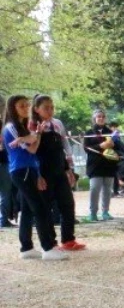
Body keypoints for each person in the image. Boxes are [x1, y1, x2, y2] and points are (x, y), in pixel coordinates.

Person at [3, 95, 68, 260]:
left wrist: (33, 136)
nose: (26, 108)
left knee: (27, 210)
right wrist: (31, 137)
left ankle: (26, 247)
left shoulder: (24, 128)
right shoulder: (10, 127)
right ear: (13, 108)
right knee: (39, 208)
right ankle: (47, 247)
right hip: (21, 170)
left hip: (31, 170)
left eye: (27, 105)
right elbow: (30, 146)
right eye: (21, 106)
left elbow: (33, 149)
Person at [31, 96, 84, 251]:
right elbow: (32, 152)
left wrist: (69, 170)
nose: (50, 110)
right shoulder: (32, 125)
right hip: (43, 170)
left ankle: (68, 239)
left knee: (67, 203)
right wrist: (38, 175)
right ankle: (51, 242)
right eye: (46, 107)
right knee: (46, 206)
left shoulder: (57, 123)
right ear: (36, 109)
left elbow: (63, 145)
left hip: (59, 169)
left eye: (52, 107)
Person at [83, 108, 118, 222]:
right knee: (94, 188)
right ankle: (93, 213)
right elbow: (86, 149)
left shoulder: (111, 132)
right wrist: (101, 146)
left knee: (108, 190)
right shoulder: (89, 133)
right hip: (95, 166)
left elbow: (118, 148)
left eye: (103, 116)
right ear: (94, 119)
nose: (101, 118)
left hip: (109, 165)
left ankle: (105, 212)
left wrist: (113, 144)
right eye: (99, 116)